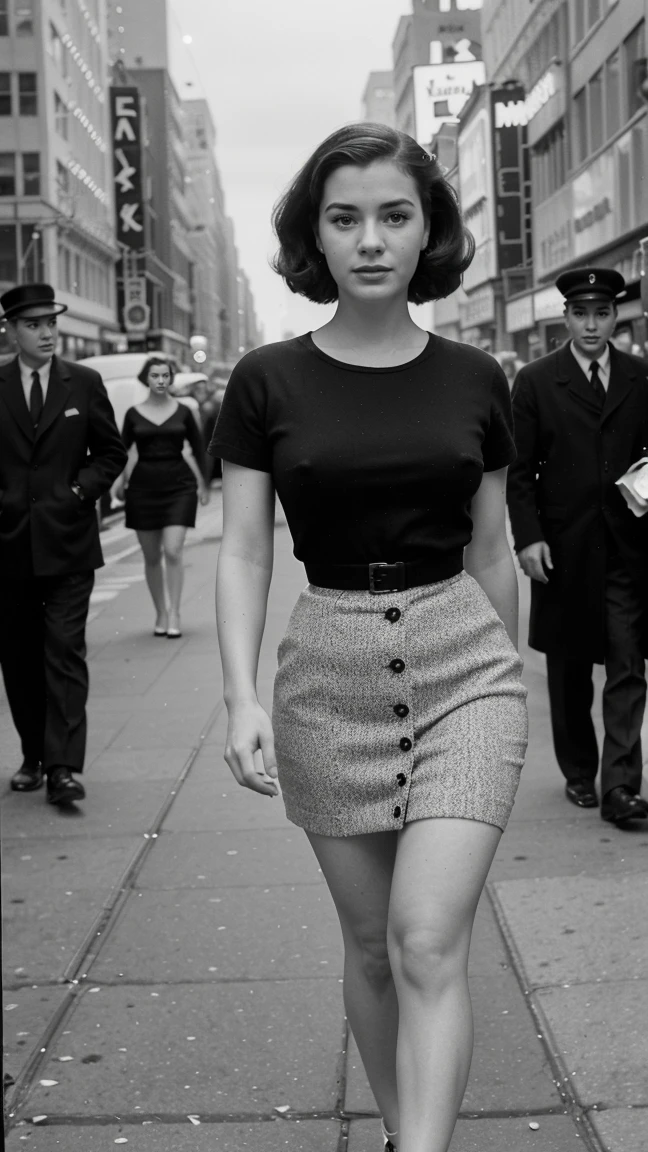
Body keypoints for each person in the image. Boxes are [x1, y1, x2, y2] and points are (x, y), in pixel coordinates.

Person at [210, 124, 528, 1152]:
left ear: (429, 226)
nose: (372, 238)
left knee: (429, 937)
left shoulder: (479, 377)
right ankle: (404, 1131)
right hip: (327, 675)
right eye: (344, 218)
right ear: (316, 236)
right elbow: (248, 552)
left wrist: (508, 683)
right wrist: (242, 696)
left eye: (395, 214)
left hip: (463, 667)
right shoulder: (266, 380)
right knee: (374, 946)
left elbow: (491, 548)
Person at [507, 268, 648, 826]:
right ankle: (578, 771)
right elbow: (518, 471)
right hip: (562, 548)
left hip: (629, 545)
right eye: (581, 314)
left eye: (602, 313)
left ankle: (620, 785)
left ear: (616, 316)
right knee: (568, 670)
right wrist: (530, 537)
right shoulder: (537, 381)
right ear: (565, 318)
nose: (592, 324)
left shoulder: (641, 376)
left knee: (626, 661)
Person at [0, 283, 126, 804]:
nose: (47, 332)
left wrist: (78, 492)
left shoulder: (85, 383)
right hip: (7, 548)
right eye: (34, 324)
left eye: (51, 322)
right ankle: (33, 754)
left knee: (64, 652)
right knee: (20, 658)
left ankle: (63, 768)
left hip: (70, 543)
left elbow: (111, 454)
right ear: (11, 330)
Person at [119, 356, 209, 639]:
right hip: (142, 489)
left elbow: (199, 447)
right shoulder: (133, 414)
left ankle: (174, 613)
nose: (161, 380)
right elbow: (121, 451)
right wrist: (119, 482)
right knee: (150, 556)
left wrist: (203, 484)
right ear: (146, 379)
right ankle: (160, 610)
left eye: (165, 375)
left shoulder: (183, 412)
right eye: (155, 375)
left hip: (179, 486)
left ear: (171, 379)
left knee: (172, 550)